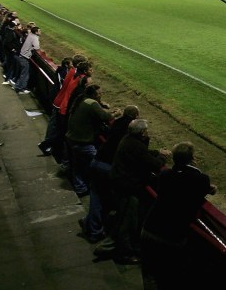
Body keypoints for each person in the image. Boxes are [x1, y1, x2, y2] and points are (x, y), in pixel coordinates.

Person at [136, 141, 217, 290]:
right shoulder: (200, 179)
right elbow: (198, 184)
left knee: (150, 273)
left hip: (150, 229)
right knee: (172, 269)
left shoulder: (165, 176)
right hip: (173, 237)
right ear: (193, 159)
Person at [104, 118, 169, 264]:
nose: (147, 133)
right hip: (126, 188)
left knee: (126, 219)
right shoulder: (135, 146)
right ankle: (124, 254)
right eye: (146, 131)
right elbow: (155, 164)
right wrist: (162, 156)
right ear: (142, 133)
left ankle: (122, 248)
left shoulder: (129, 140)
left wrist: (156, 151)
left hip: (120, 184)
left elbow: (143, 153)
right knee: (128, 222)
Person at [79, 104, 139, 243]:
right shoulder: (129, 134)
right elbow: (136, 153)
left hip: (97, 161)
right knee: (118, 201)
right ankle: (103, 235)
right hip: (107, 167)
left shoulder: (117, 123)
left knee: (97, 196)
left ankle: (89, 223)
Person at [65, 83, 118, 198]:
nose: (101, 95)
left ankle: (80, 187)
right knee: (99, 164)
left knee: (77, 164)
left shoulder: (82, 99)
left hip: (71, 138)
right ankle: (100, 191)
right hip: (82, 142)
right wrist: (116, 113)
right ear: (94, 95)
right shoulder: (92, 103)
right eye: (99, 93)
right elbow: (105, 117)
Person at [15, 25, 40, 94]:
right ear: (36, 32)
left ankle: (20, 87)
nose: (40, 32)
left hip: (21, 55)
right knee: (25, 74)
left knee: (24, 73)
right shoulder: (35, 37)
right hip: (24, 57)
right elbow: (37, 47)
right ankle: (20, 88)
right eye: (39, 31)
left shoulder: (30, 35)